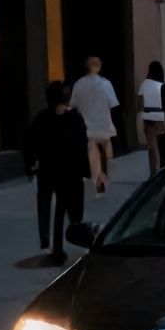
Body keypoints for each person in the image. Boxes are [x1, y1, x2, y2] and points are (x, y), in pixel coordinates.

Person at [24, 81, 88, 265]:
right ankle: (75, 242)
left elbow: (30, 144)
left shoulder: (41, 119)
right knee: (70, 210)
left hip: (48, 171)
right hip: (70, 173)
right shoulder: (75, 119)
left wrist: (30, 165)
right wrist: (85, 170)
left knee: (51, 209)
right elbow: (82, 146)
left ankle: (52, 245)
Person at [68, 56, 118, 194]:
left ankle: (98, 179)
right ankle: (108, 174)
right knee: (108, 149)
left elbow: (72, 106)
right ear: (99, 67)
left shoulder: (79, 84)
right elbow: (113, 104)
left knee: (93, 153)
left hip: (88, 128)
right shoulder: (105, 84)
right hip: (105, 126)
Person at [138, 61, 165, 175]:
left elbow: (141, 103)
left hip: (149, 119)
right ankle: (160, 168)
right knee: (159, 146)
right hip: (160, 118)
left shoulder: (145, 84)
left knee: (152, 147)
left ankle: (154, 171)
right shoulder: (161, 85)